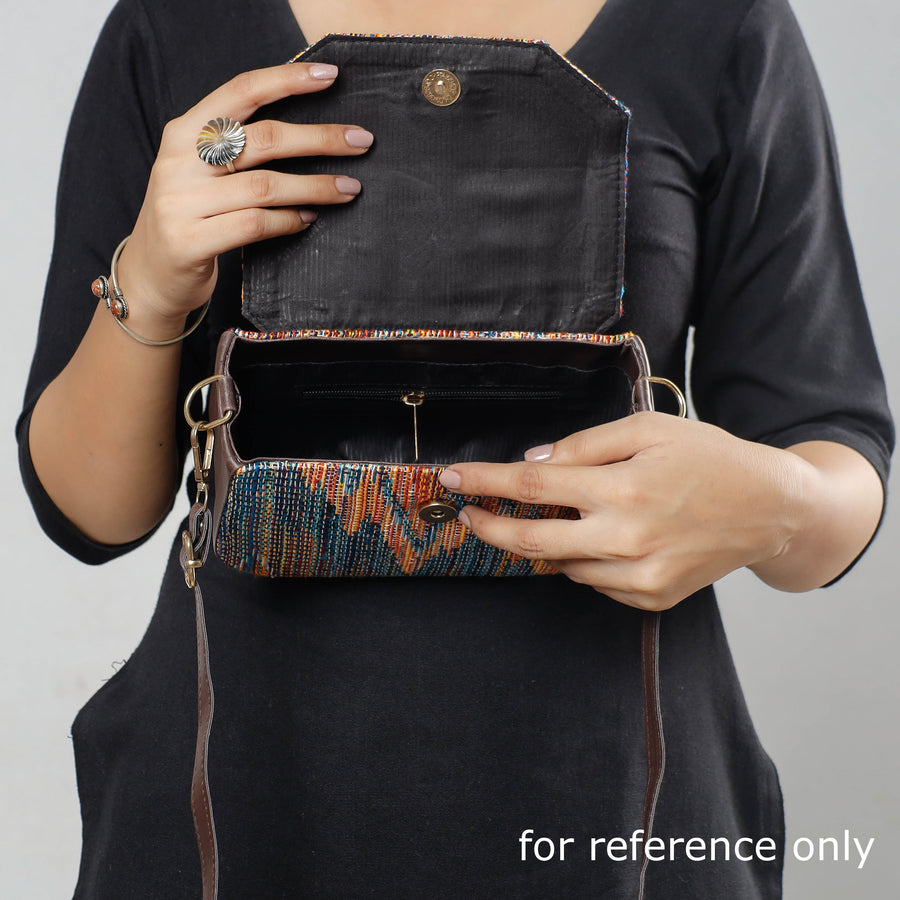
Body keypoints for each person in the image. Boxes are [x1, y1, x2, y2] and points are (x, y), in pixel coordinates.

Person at [17, 0, 893, 896]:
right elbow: (90, 513)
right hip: (241, 783)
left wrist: (780, 502)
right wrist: (151, 280)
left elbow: (831, 437)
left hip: (619, 794)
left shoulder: (721, 24)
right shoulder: (172, 24)